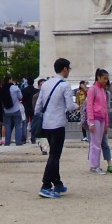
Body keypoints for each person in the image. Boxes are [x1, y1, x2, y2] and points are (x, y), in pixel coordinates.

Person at [36, 58, 75, 198]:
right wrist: (78, 106)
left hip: (46, 123)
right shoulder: (65, 85)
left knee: (54, 154)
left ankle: (57, 183)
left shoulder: (46, 84)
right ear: (64, 69)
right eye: (69, 69)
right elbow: (70, 106)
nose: (69, 71)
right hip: (58, 123)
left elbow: (38, 105)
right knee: (55, 156)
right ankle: (46, 185)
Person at [86, 68, 110, 174]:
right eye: (104, 78)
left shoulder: (102, 90)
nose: (106, 80)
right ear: (98, 77)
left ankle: (95, 165)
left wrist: (106, 123)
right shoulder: (93, 89)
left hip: (101, 118)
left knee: (98, 143)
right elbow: (89, 106)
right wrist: (91, 122)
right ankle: (94, 165)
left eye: (106, 79)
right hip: (95, 118)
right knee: (95, 143)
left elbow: (105, 108)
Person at [0, 75, 23, 145]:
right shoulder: (15, 88)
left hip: (6, 110)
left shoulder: (2, 88)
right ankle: (18, 141)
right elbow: (20, 97)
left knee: (8, 126)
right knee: (18, 125)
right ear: (9, 80)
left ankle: (7, 142)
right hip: (16, 109)